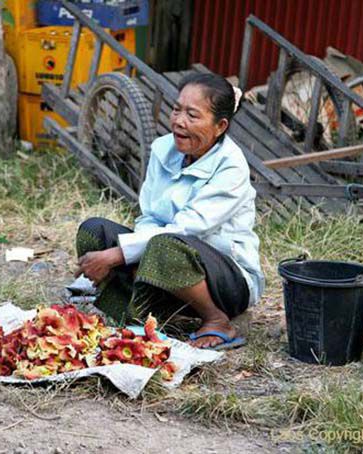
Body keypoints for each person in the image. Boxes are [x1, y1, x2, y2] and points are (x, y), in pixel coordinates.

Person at [75, 72, 264, 350]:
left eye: (192, 115)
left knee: (165, 247)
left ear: (220, 126)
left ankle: (216, 319)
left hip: (225, 282)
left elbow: (189, 228)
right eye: (177, 109)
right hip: (166, 262)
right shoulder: (164, 149)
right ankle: (143, 314)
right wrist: (138, 259)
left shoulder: (231, 166)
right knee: (93, 231)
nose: (179, 121)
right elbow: (150, 214)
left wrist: (119, 255)